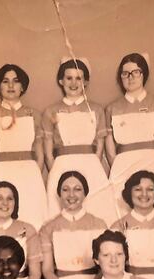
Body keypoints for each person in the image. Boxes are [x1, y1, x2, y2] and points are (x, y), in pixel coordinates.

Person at [105, 52, 154, 220]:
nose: (130, 77)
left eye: (135, 72)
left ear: (144, 74)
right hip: (123, 169)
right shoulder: (112, 108)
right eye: (125, 73)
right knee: (122, 216)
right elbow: (110, 152)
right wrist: (121, 169)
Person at [43, 58, 117, 225]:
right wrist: (56, 170)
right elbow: (48, 153)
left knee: (96, 209)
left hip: (91, 165)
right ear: (61, 81)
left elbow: (99, 148)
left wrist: (92, 165)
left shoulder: (96, 109)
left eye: (79, 78)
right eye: (69, 78)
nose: (74, 83)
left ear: (86, 82)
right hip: (62, 165)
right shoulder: (51, 111)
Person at [0, 63, 48, 229]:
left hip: (29, 174)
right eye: (5, 81)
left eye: (16, 81)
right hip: (0, 173)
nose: (11, 86)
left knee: (31, 219)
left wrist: (32, 174)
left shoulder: (35, 115)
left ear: (22, 86)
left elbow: (40, 153)